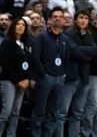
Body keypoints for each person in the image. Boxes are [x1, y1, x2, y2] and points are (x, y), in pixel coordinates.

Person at [29, 7, 73, 137]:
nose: (58, 19)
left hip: (60, 78)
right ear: (49, 20)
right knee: (39, 111)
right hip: (46, 78)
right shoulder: (42, 37)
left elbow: (67, 59)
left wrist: (63, 73)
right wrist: (43, 74)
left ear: (64, 20)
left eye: (60, 17)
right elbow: (35, 58)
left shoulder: (65, 39)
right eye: (55, 16)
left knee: (53, 112)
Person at [0, 16, 35, 137]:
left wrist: (27, 78)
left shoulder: (26, 43)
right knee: (6, 112)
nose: (21, 26)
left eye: (23, 24)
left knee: (16, 112)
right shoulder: (6, 43)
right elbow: (5, 65)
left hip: (23, 81)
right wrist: (18, 81)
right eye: (18, 24)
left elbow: (29, 63)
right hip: (8, 80)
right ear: (13, 26)